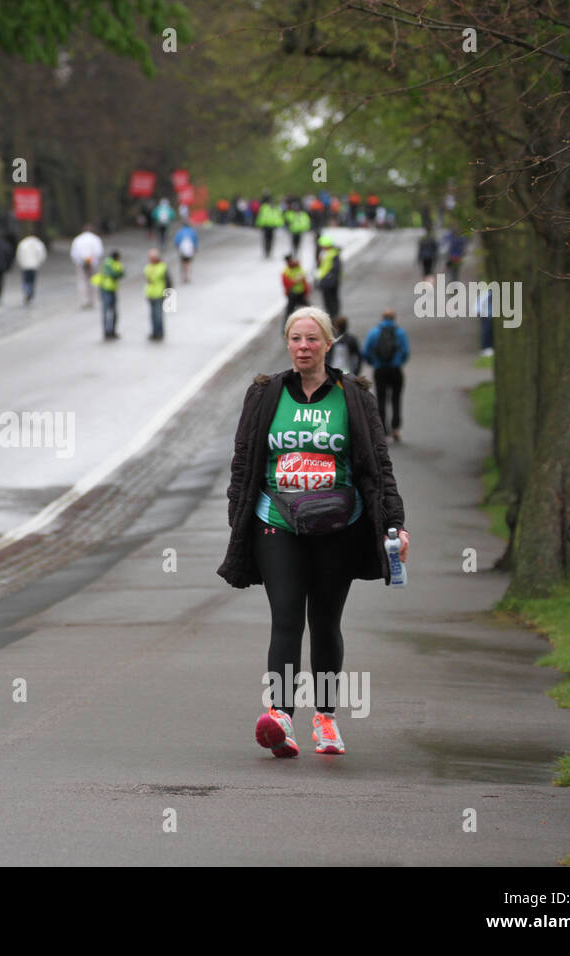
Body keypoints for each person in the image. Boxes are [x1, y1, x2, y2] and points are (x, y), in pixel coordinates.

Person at [216, 306, 409, 757]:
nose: (303, 347)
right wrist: (237, 516)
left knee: (324, 622)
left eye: (312, 339)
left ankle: (325, 718)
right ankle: (280, 717)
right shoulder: (265, 394)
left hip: (338, 524)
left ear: (327, 343)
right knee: (285, 617)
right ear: (288, 343)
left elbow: (378, 466)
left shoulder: (355, 396)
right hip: (276, 521)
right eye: (295, 339)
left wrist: (395, 523)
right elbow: (244, 459)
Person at [361, 308, 411, 442]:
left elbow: (365, 351)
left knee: (381, 399)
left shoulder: (374, 332)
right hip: (395, 369)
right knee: (396, 399)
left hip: (380, 370)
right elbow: (406, 351)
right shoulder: (400, 332)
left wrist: (373, 362)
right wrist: (399, 361)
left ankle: (383, 430)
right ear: (394, 319)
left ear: (382, 318)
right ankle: (396, 428)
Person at [90, 250, 125, 340]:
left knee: (113, 312)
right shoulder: (109, 263)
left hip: (112, 289)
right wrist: (118, 273)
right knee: (107, 311)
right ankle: (107, 331)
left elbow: (122, 273)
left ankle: (112, 331)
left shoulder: (115, 263)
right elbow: (115, 274)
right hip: (105, 290)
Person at [70, 224, 104, 309]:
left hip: (80, 262)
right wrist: (93, 260)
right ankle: (95, 299)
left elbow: (74, 253)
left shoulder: (78, 239)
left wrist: (79, 260)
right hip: (93, 262)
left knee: (82, 281)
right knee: (95, 280)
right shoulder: (95, 239)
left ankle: (85, 300)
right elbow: (99, 251)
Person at [144, 248, 170, 341]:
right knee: (152, 315)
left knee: (158, 315)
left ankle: (160, 333)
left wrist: (168, 295)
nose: (150, 259)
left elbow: (168, 282)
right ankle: (154, 332)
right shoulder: (148, 267)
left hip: (159, 294)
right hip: (150, 294)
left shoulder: (162, 267)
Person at [16, 232, 47, 305]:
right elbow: (42, 255)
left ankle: (26, 291)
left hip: (25, 265)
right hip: (34, 265)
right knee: (32, 280)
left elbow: (19, 254)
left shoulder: (23, 243)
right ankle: (30, 293)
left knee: (26, 280)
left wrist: (21, 263)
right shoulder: (38, 244)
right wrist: (39, 263)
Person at [316, 235, 342, 318]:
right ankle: (333, 316)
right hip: (326, 280)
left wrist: (328, 278)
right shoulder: (327, 253)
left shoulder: (332, 254)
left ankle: (333, 317)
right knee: (330, 301)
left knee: (331, 301)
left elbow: (335, 269)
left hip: (329, 281)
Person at [281, 254, 311, 320]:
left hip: (301, 293)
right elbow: (286, 284)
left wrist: (307, 291)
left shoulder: (299, 268)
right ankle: (285, 328)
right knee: (289, 313)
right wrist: (296, 281)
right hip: (292, 294)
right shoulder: (286, 272)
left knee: (310, 311)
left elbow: (304, 280)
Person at [255, 193, 284, 258]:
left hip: (272, 226)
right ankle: (266, 251)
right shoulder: (264, 207)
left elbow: (279, 217)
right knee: (266, 240)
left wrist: (279, 224)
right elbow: (260, 216)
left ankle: (269, 252)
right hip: (265, 226)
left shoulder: (275, 208)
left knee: (270, 240)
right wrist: (259, 224)